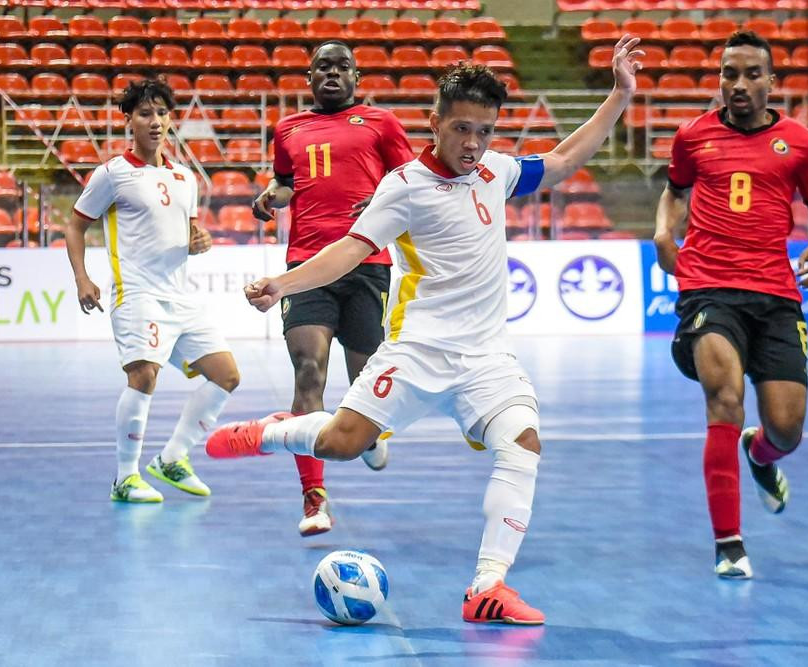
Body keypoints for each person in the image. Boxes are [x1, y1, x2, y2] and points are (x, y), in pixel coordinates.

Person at [204, 36, 642, 624]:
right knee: (341, 444)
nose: (473, 144)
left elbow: (562, 161)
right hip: (416, 353)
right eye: (461, 129)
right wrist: (283, 285)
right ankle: (271, 432)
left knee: (523, 445)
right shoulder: (404, 187)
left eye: (485, 131)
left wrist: (619, 95)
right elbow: (350, 251)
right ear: (434, 124)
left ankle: (487, 587)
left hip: (486, 360)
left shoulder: (495, 171)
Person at [653, 31, 808, 579]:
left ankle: (760, 453)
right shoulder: (692, 136)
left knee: (787, 430)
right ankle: (729, 544)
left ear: (770, 81)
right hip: (708, 286)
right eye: (728, 74)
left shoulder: (802, 143)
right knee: (725, 400)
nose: (738, 84)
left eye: (751, 74)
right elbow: (674, 191)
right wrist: (664, 231)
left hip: (775, 293)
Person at [252, 41, 415, 537]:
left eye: (343, 67)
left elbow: (411, 180)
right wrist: (272, 195)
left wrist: (381, 199)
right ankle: (314, 498)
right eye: (323, 66)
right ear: (309, 77)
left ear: (356, 77)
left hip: (367, 262)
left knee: (364, 376)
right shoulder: (288, 129)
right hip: (306, 265)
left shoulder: (382, 123)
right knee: (308, 371)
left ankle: (367, 435)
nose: (332, 73)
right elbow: (286, 182)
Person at [66, 78, 240, 503]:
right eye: (145, 113)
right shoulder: (112, 174)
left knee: (226, 375)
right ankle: (125, 478)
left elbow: (191, 231)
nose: (156, 121)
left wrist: (200, 239)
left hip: (181, 297)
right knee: (143, 375)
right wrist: (83, 278)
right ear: (129, 120)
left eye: (162, 113)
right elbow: (75, 225)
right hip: (137, 294)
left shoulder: (184, 176)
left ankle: (172, 458)